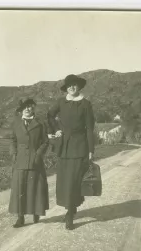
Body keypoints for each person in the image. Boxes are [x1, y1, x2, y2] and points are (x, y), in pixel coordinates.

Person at [47, 74, 95, 230]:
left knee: (75, 180)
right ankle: (70, 207)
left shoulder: (86, 104)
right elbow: (49, 116)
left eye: (74, 85)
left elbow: (89, 129)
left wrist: (90, 150)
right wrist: (57, 129)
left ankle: (69, 213)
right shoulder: (61, 102)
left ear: (79, 87)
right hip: (64, 147)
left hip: (80, 146)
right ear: (66, 88)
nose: (72, 87)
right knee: (65, 180)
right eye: (69, 85)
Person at [8, 98, 50, 228]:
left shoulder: (40, 123)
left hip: (35, 160)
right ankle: (20, 218)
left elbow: (45, 141)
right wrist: (14, 153)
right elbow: (12, 140)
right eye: (25, 107)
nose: (27, 109)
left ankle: (36, 212)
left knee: (35, 187)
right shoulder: (16, 123)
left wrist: (38, 155)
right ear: (21, 110)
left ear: (33, 108)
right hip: (20, 160)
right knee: (20, 188)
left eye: (30, 107)